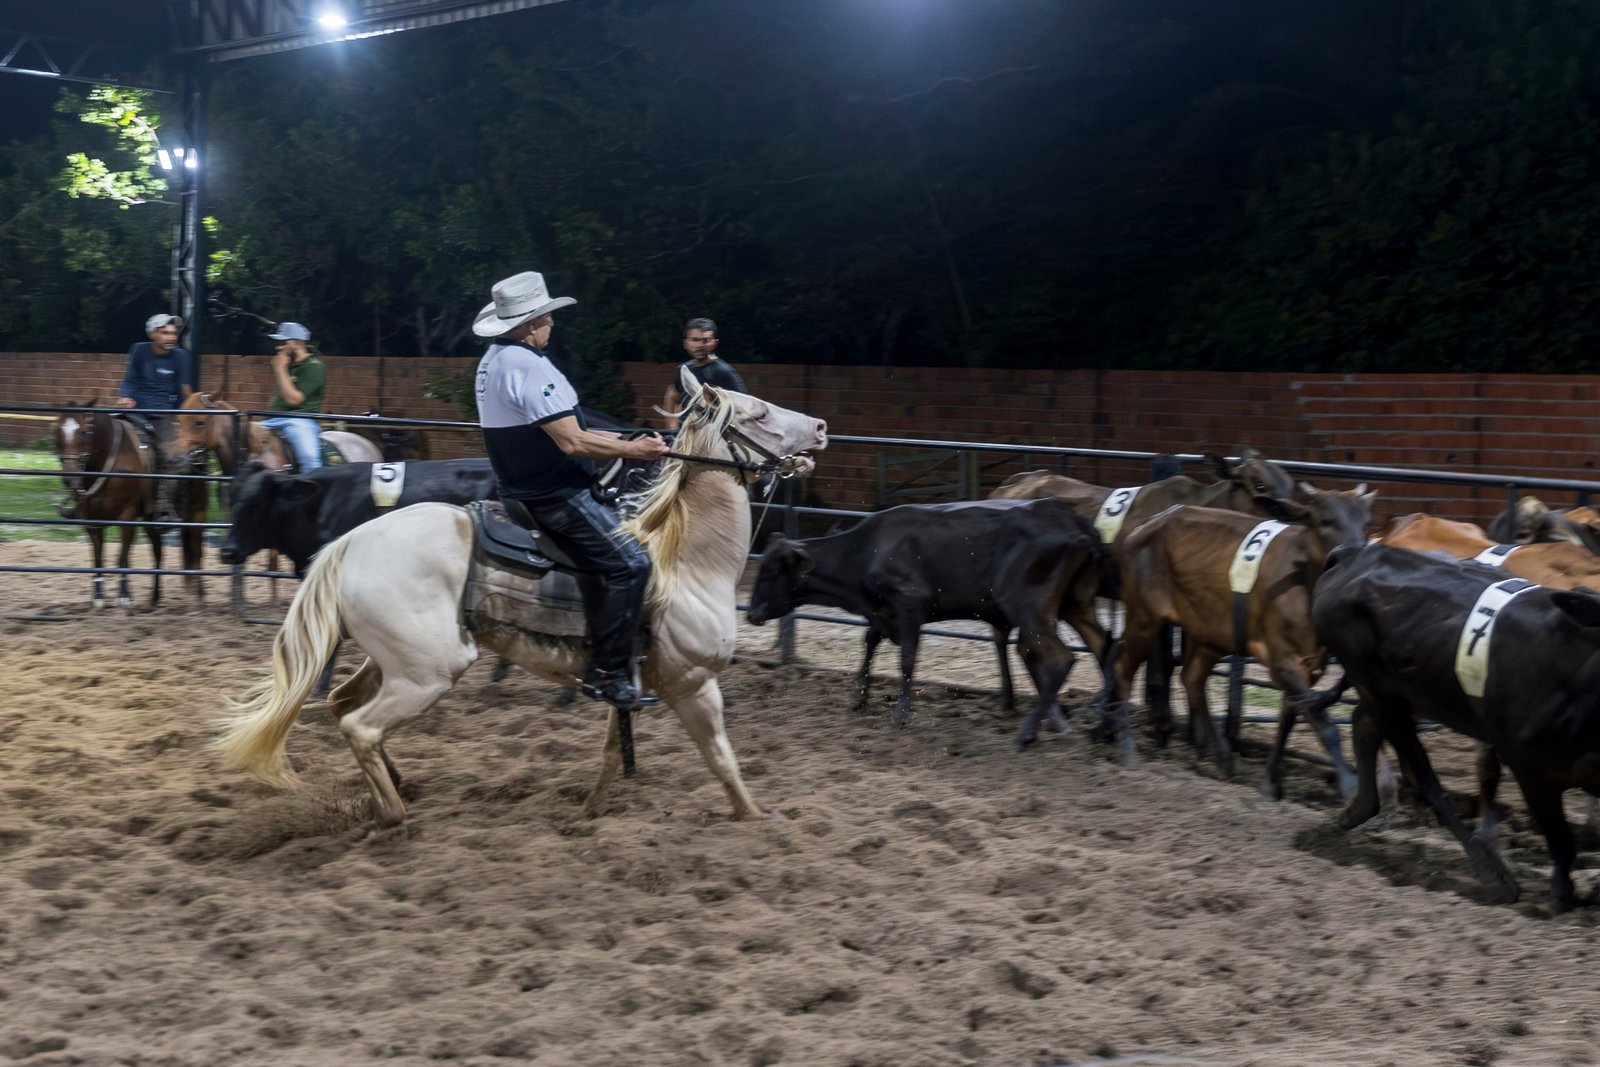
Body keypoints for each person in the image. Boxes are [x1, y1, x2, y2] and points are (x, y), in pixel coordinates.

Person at [473, 270, 669, 713]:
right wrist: (634, 450)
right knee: (632, 564)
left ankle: (597, 647)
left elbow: (561, 430)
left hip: (520, 489)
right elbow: (572, 441)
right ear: (529, 324)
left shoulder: (494, 359)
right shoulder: (528, 365)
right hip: (555, 495)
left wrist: (622, 440)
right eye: (546, 317)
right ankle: (608, 673)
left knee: (608, 560)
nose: (552, 323)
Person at [112, 312, 196, 522]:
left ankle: (164, 508)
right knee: (102, 437)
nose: (171, 337)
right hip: (135, 411)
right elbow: (129, 379)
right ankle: (85, 499)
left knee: (171, 455)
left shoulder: (181, 356)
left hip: (163, 415)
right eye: (165, 333)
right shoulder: (139, 350)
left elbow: (184, 390)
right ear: (152, 334)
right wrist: (125, 396)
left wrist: (180, 417)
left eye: (173, 333)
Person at [260, 322, 326, 472]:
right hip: (272, 419)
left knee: (309, 458)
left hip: (300, 420)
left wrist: (280, 369)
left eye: (284, 343)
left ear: (298, 343)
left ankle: (312, 484)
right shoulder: (288, 364)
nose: (278, 348)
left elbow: (293, 400)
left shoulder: (314, 366)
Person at [661, 317, 744, 430]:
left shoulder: (723, 371)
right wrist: (672, 426)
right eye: (694, 340)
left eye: (705, 340)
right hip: (684, 435)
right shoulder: (685, 369)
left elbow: (743, 407)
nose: (699, 345)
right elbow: (672, 395)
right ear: (686, 343)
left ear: (714, 343)